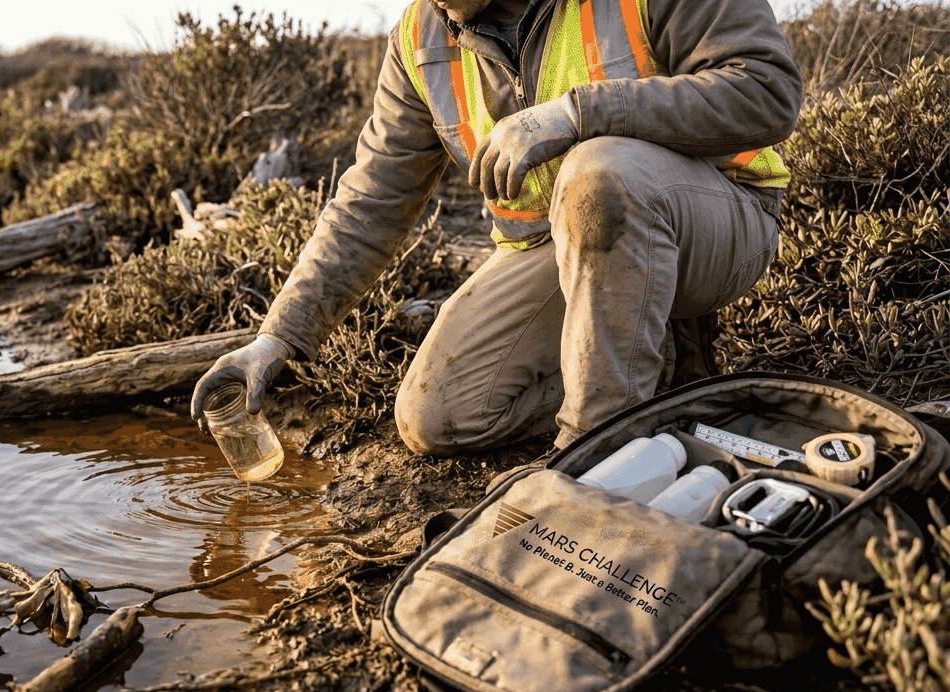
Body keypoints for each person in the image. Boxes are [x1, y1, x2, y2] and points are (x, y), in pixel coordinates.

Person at [191, 0, 803, 455]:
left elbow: (768, 92)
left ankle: (597, 446)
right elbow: (371, 198)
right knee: (437, 416)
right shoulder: (419, 37)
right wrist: (278, 337)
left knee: (598, 174)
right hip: (554, 249)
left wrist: (577, 114)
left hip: (718, 220)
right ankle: (657, 363)